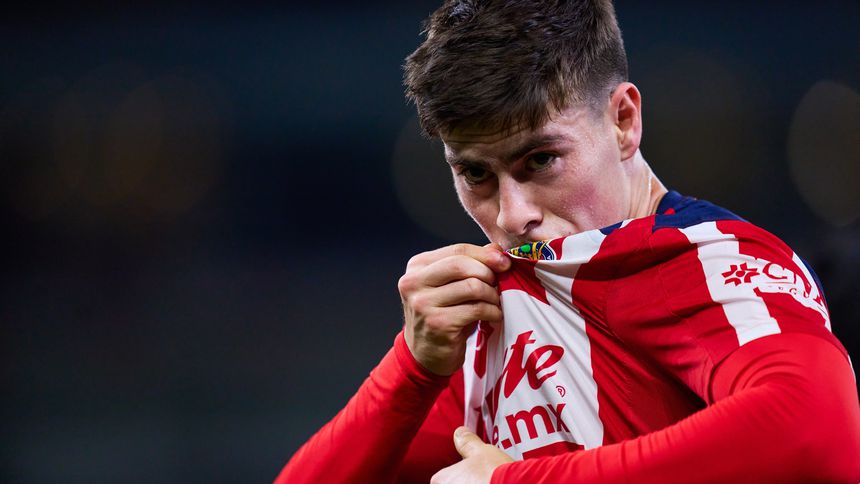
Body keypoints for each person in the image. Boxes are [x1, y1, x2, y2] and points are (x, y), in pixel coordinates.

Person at [276, 1, 860, 482]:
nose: (513, 217)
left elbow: (819, 431)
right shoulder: (497, 309)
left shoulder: (707, 261)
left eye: (540, 160)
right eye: (475, 174)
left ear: (623, 121)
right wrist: (412, 366)